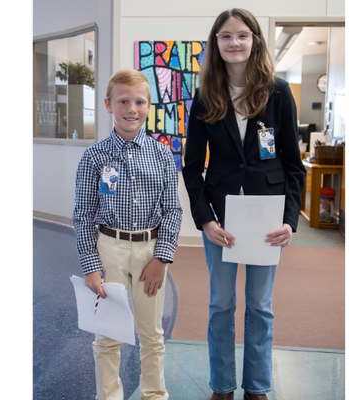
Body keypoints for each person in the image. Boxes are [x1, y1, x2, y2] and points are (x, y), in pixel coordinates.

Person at [181, 8, 306, 400]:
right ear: (216, 43)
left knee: (259, 307)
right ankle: (222, 386)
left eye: (242, 35)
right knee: (220, 305)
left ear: (255, 40)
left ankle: (257, 387)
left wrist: (290, 221)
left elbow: (293, 164)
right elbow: (191, 166)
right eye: (225, 36)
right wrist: (205, 220)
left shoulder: (278, 92)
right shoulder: (205, 95)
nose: (234, 42)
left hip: (267, 220)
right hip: (221, 220)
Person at [73, 69, 182, 400]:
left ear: (148, 106)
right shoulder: (94, 156)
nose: (131, 109)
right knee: (107, 337)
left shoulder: (162, 155)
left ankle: (154, 395)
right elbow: (83, 215)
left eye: (139, 102)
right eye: (123, 101)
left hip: (150, 251)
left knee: (152, 335)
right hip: (110, 250)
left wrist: (162, 258)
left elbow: (172, 210)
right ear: (108, 105)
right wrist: (91, 266)